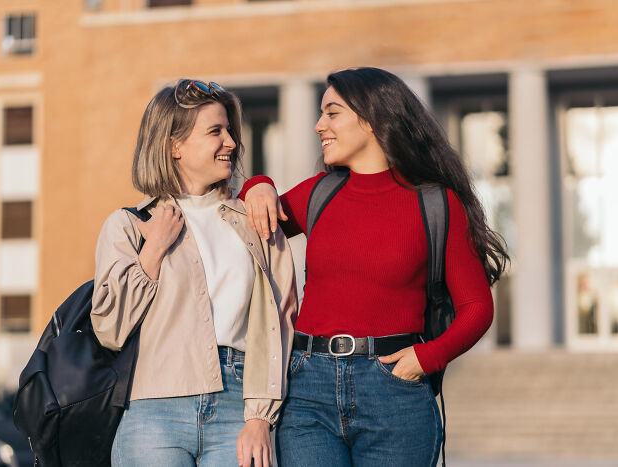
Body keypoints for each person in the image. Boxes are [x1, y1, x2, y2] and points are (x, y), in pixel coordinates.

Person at [239, 67, 509, 467]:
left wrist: (427, 357)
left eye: (332, 113)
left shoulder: (436, 204)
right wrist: (258, 183)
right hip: (307, 390)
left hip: (395, 393)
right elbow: (256, 213)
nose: (318, 126)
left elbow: (477, 307)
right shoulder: (319, 193)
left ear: (372, 120)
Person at [90, 79, 298, 467]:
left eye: (230, 131)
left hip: (239, 411)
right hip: (153, 410)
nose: (232, 143)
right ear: (174, 146)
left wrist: (260, 418)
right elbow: (109, 328)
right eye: (215, 131)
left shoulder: (256, 223)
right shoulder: (128, 226)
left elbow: (281, 324)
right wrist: (153, 250)